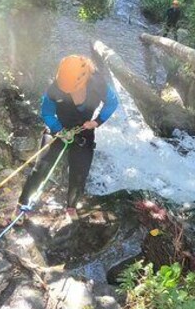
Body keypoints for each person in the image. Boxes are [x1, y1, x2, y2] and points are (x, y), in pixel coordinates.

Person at [18, 55, 119, 218]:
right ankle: (23, 204)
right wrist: (59, 130)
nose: (66, 91)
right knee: (41, 168)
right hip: (58, 129)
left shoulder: (97, 83)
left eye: (70, 88)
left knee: (80, 173)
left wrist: (97, 121)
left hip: (83, 132)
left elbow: (112, 102)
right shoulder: (54, 90)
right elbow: (47, 113)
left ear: (83, 79)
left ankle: (71, 207)